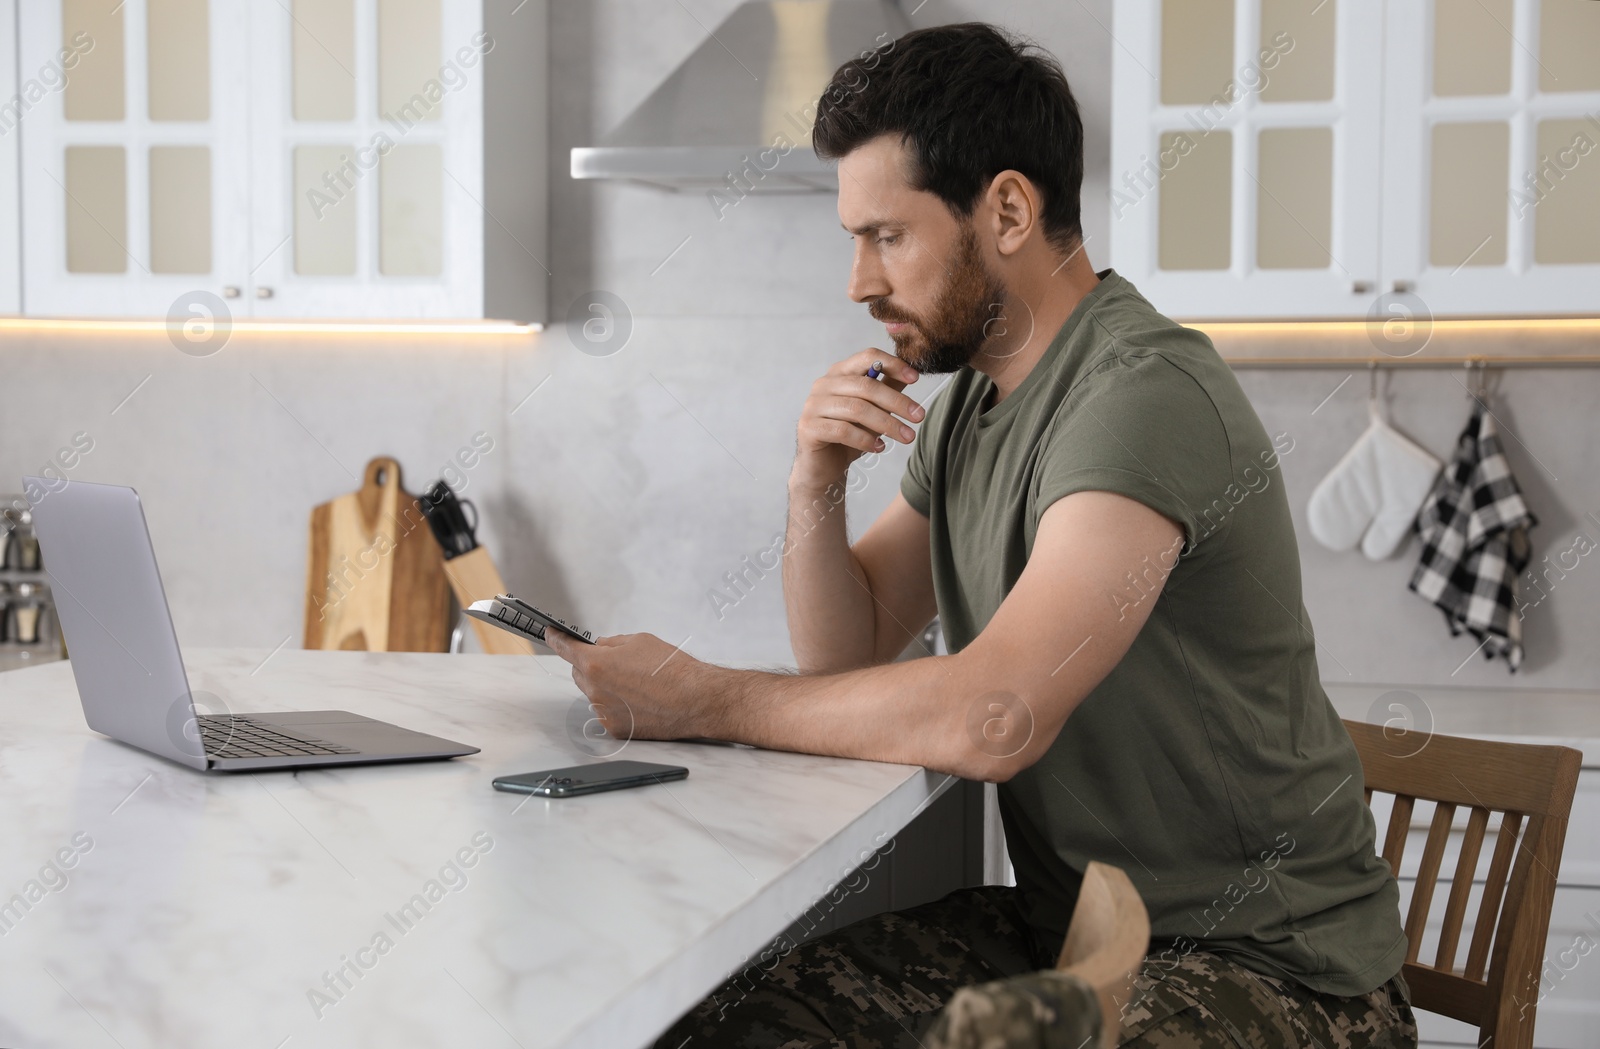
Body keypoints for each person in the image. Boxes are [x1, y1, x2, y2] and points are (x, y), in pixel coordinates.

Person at [542, 21, 1416, 1049]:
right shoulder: (969, 407)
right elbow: (849, 652)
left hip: (1272, 971)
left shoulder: (1140, 393)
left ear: (1006, 208)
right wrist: (812, 479)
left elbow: (994, 716)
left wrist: (704, 698)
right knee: (739, 1023)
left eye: (887, 236)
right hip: (1066, 936)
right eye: (854, 241)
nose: (858, 284)